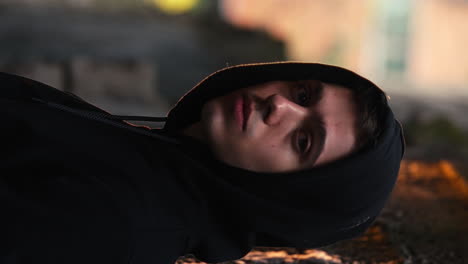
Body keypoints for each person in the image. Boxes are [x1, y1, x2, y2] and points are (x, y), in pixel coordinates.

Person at [0, 62, 405, 264]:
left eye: (303, 141)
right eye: (302, 94)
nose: (279, 105)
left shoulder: (123, 222)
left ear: (284, 198)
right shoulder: (154, 158)